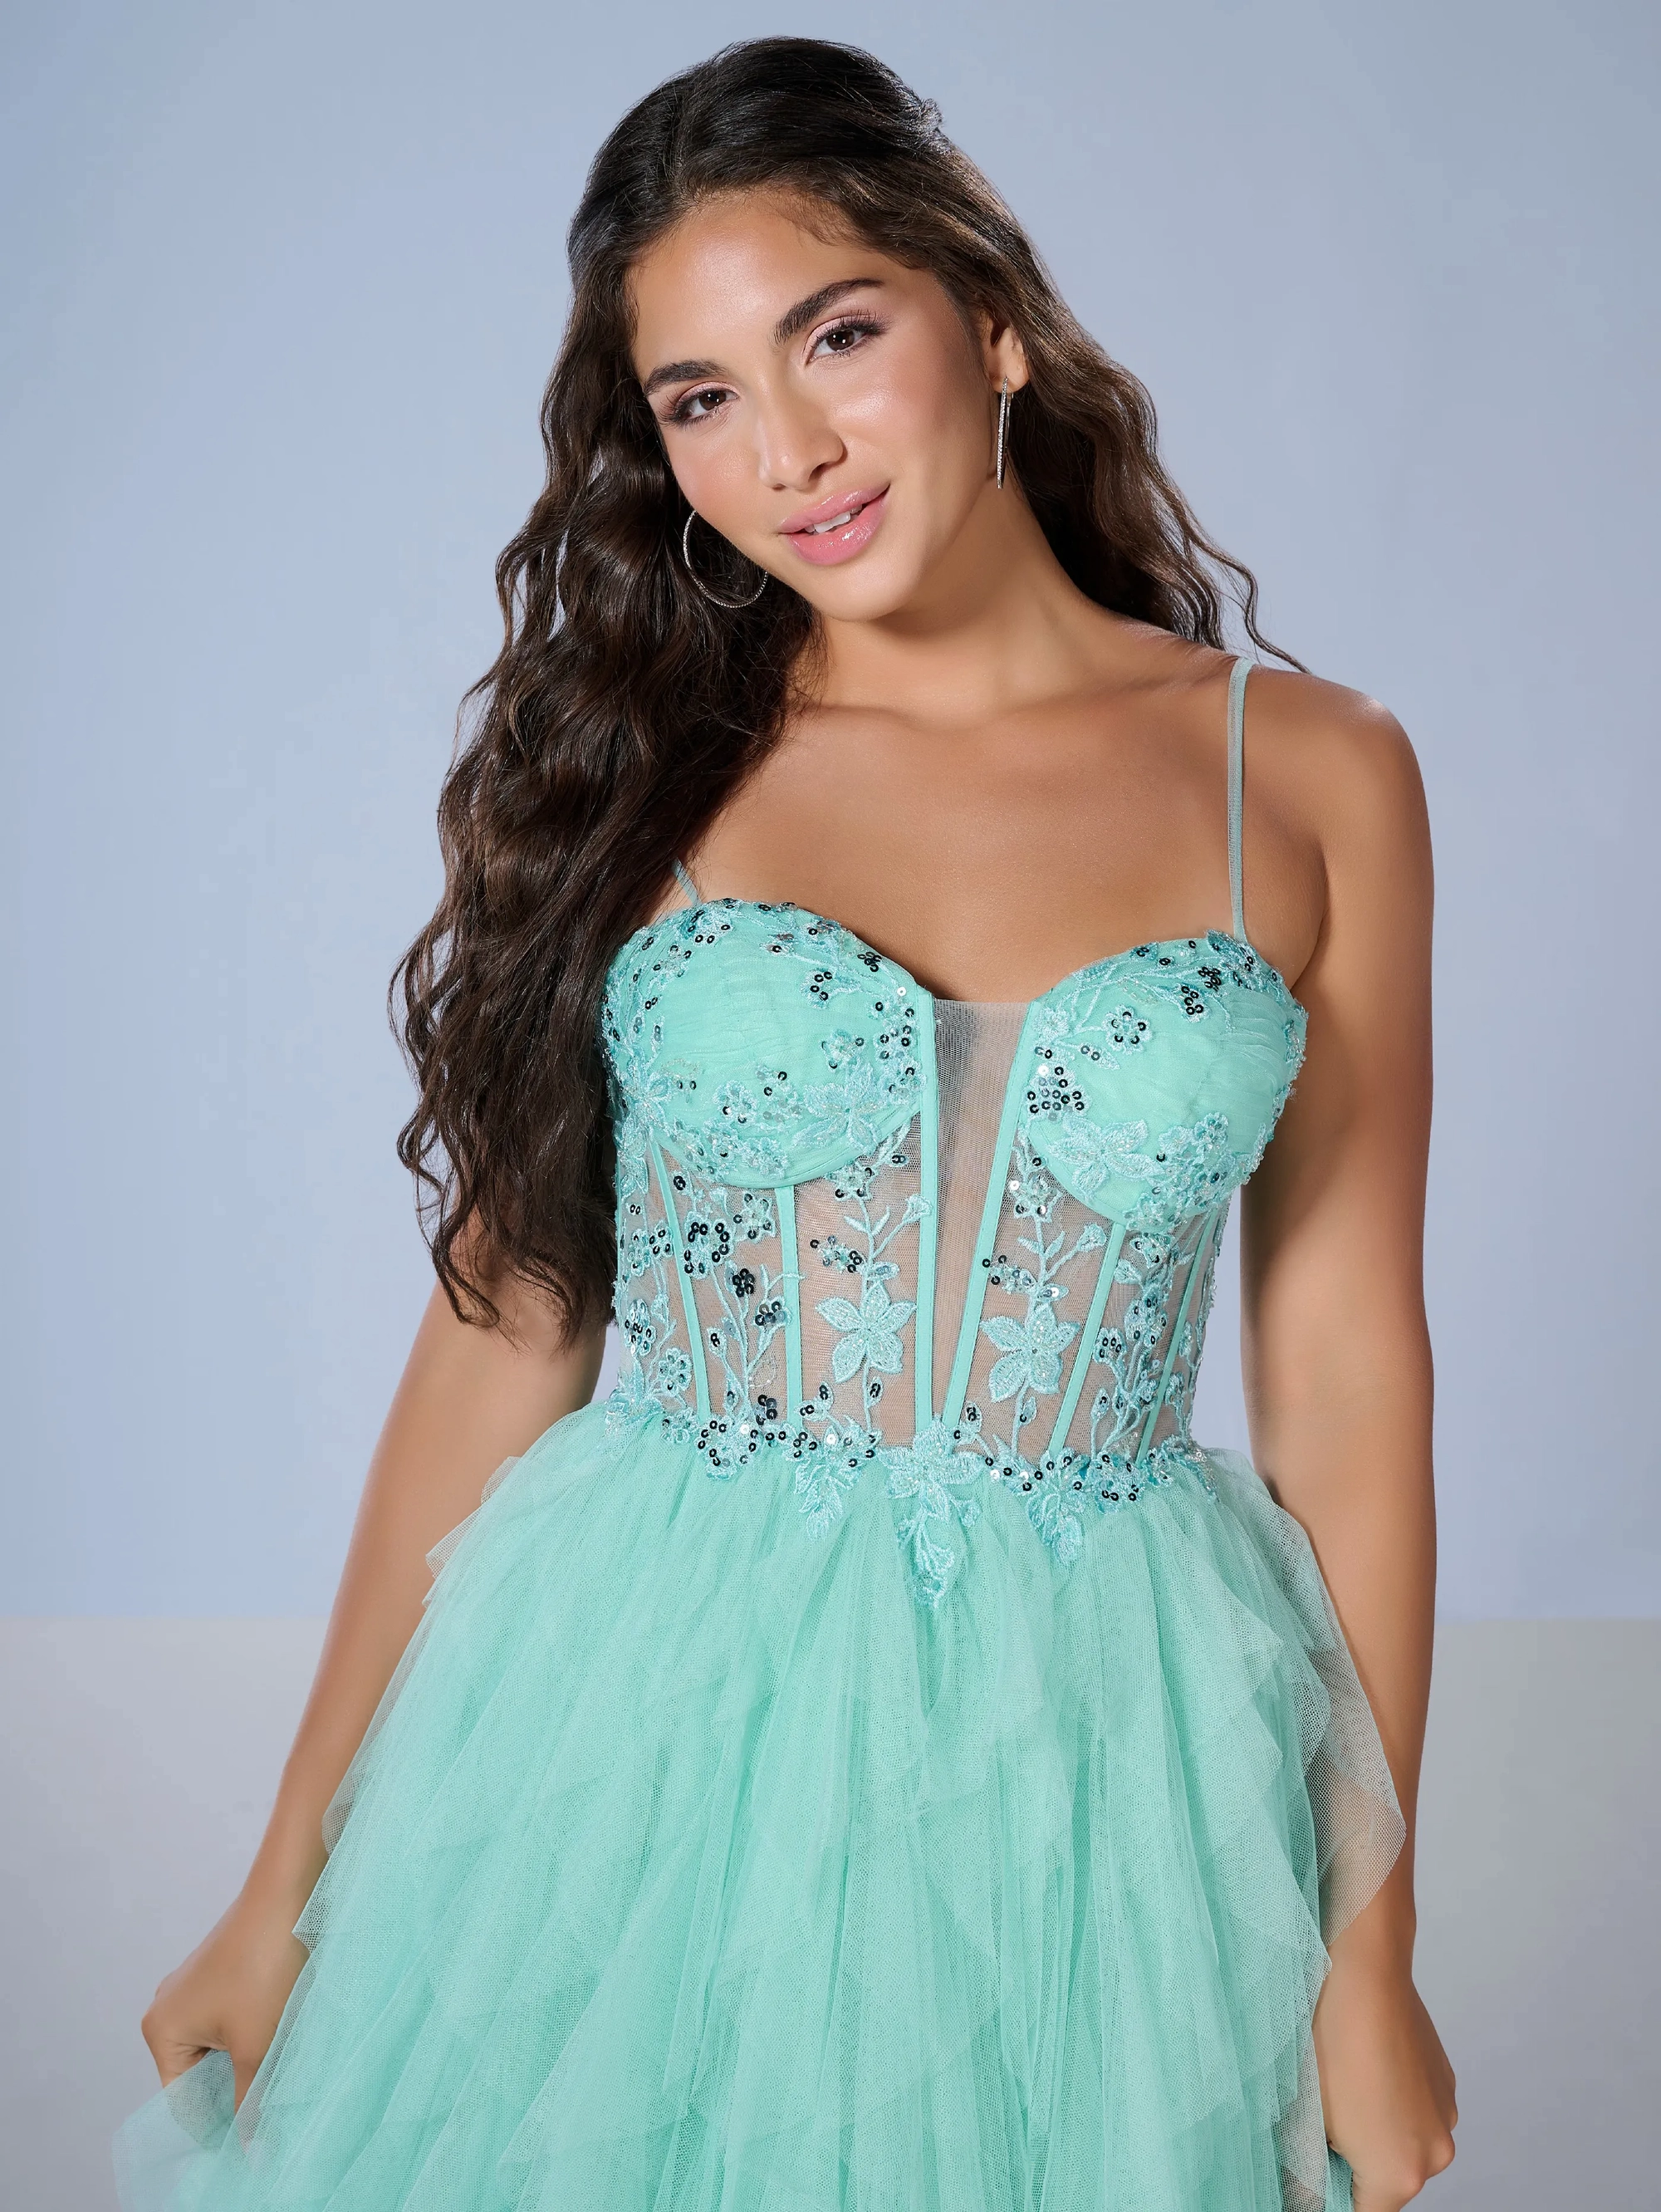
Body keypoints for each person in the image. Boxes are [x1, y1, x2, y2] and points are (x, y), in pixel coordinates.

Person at [115, 35, 1457, 2212]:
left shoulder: (1309, 776)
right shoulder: (644, 766)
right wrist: (286, 1878)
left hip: (1103, 1759)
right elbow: (508, 1325)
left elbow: (1350, 1389)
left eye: (837, 337)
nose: (790, 451)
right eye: (701, 397)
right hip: (652, 1726)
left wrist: (1369, 1950)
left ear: (993, 320)